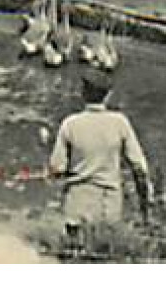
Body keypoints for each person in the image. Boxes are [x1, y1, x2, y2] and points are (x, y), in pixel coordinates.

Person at [47, 70, 152, 239]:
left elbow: (56, 169)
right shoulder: (120, 122)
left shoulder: (70, 124)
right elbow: (139, 167)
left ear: (83, 93)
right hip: (108, 205)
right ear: (108, 96)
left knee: (75, 255)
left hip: (77, 205)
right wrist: (145, 207)